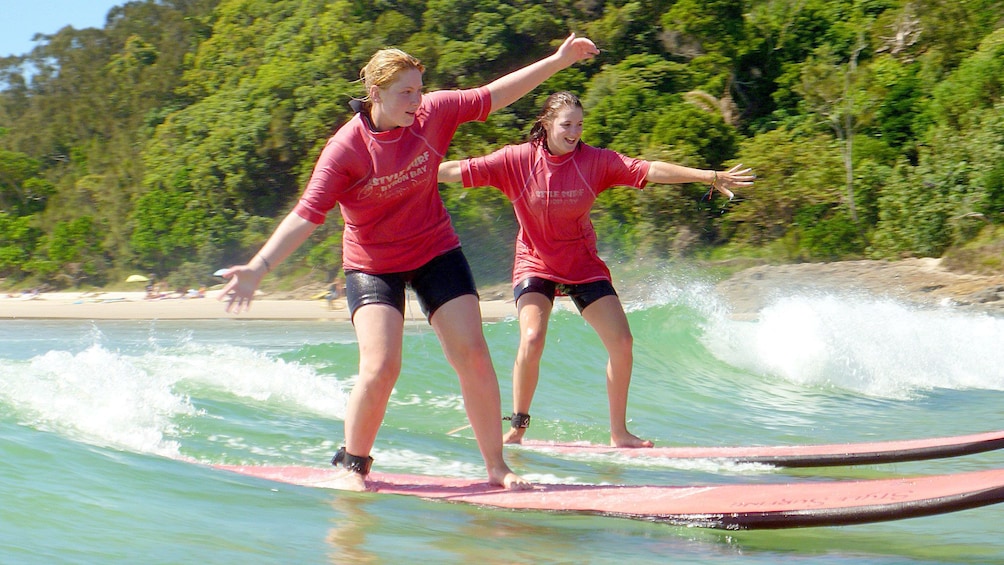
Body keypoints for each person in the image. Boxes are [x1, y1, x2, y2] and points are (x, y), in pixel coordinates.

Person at [219, 37, 599, 491]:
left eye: (420, 90)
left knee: (474, 356)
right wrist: (258, 268)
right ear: (374, 94)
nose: (416, 101)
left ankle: (497, 467)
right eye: (405, 93)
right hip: (372, 263)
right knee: (381, 366)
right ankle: (354, 465)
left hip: (434, 248)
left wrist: (557, 61)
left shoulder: (432, 113)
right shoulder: (346, 150)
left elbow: (495, 95)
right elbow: (307, 213)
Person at [438, 91, 754, 448]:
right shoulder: (517, 160)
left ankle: (619, 432)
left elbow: (648, 169)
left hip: (582, 264)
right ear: (546, 124)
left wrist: (708, 175)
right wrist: (406, 173)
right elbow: (457, 169)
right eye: (566, 124)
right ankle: (518, 426)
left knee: (623, 342)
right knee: (531, 337)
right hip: (535, 260)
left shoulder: (596, 162)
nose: (574, 132)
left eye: (579, 125)